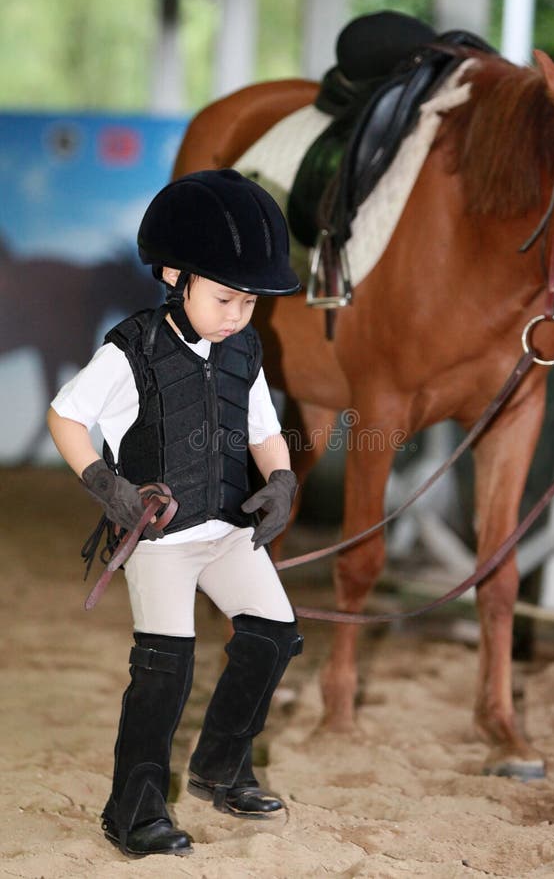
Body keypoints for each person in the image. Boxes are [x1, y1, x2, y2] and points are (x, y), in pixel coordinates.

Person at [47, 168, 304, 858]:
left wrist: (279, 479)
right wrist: (107, 483)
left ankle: (222, 765)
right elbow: (66, 416)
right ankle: (131, 811)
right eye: (225, 299)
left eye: (250, 303)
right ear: (173, 274)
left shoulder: (244, 347)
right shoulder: (129, 348)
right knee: (166, 671)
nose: (238, 316)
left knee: (273, 636)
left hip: (228, 529)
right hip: (158, 539)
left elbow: (263, 429)